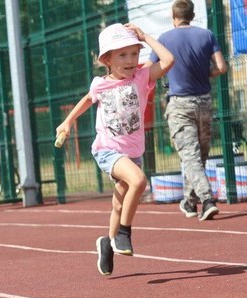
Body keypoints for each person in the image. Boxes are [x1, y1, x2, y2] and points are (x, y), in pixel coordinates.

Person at [55, 23, 174, 275]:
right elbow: (87, 99)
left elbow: (168, 59)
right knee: (139, 181)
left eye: (134, 53)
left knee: (119, 205)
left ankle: (107, 244)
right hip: (107, 149)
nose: (131, 60)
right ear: (106, 59)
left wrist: (145, 37)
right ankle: (123, 233)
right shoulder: (100, 84)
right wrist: (67, 122)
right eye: (122, 55)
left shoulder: (142, 77)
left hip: (133, 152)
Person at [148, 0, 227, 221]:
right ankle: (189, 201)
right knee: (199, 156)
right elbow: (221, 67)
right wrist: (205, 74)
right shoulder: (207, 35)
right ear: (192, 15)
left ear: (174, 17)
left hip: (180, 104)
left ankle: (207, 199)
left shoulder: (164, 39)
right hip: (204, 101)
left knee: (191, 157)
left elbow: (153, 67)